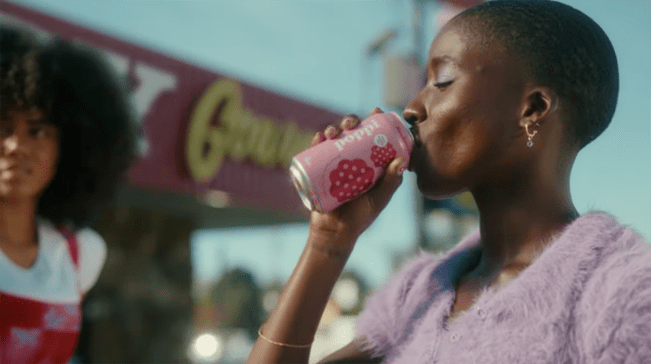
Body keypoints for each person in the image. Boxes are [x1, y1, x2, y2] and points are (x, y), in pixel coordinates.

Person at [246, 0, 651, 363]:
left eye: (442, 81)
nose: (412, 106)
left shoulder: (622, 293)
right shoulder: (418, 295)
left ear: (532, 109)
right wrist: (328, 242)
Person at [0, 25, 137, 363]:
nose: (17, 146)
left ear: (71, 146)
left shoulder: (79, 256)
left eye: (37, 131)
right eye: (3, 127)